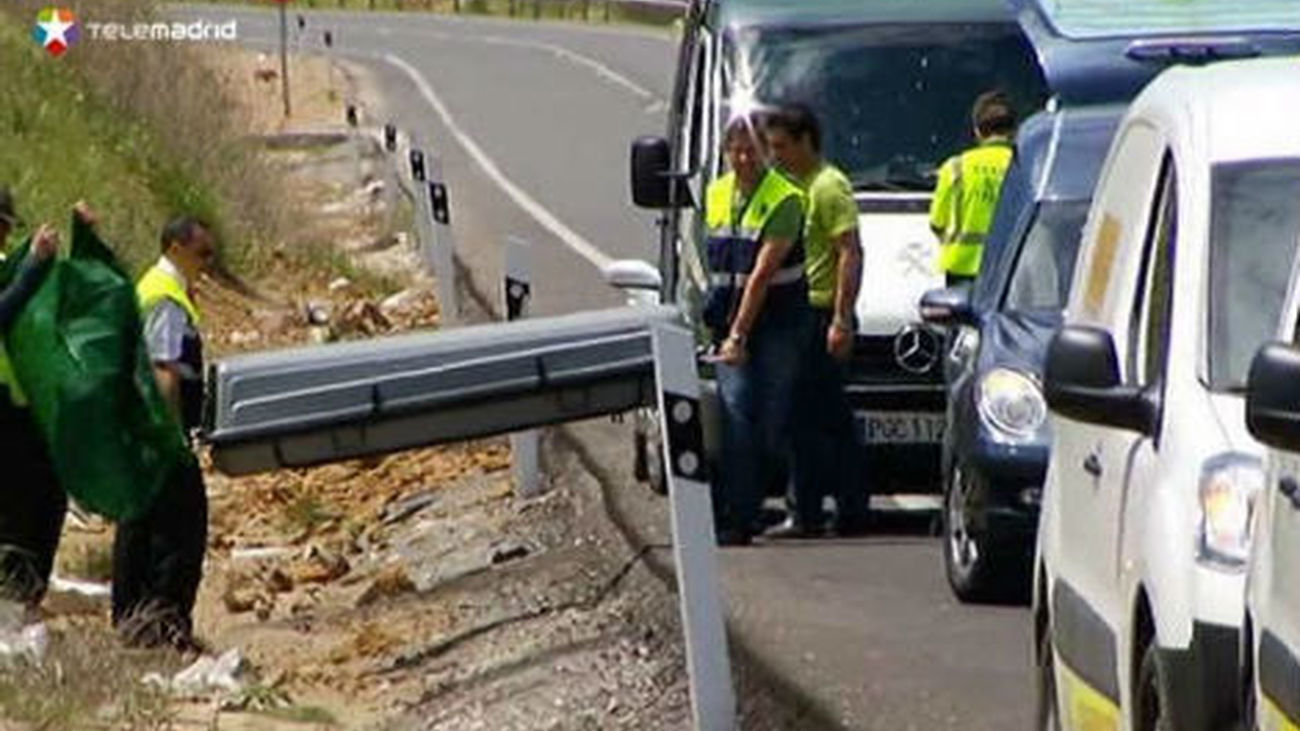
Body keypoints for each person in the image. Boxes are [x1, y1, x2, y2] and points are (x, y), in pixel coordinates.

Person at [762, 105, 870, 538]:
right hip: (799, 312)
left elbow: (850, 251)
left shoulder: (829, 186)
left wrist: (841, 319)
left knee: (814, 418)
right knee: (813, 417)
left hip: (822, 312)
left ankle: (815, 510)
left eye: (782, 146)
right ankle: (835, 507)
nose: (776, 155)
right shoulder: (792, 184)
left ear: (806, 140)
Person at [704, 115, 813, 547]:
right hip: (731, 322)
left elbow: (761, 275)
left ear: (766, 152)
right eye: (737, 150)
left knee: (770, 418)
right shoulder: (715, 194)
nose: (745, 158)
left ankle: (768, 499)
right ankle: (737, 514)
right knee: (736, 414)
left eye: (753, 149)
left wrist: (739, 336)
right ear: (726, 153)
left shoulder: (785, 198)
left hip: (778, 323)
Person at [112, 216, 214, 650]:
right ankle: (162, 629)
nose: (206, 264)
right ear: (176, 247)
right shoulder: (165, 298)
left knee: (140, 528)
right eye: (202, 254)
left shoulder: (154, 286)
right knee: (178, 532)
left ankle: (136, 626)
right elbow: (163, 373)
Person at [0, 188, 65, 616]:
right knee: (17, 511)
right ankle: (11, 601)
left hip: (24, 408)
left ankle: (23, 599)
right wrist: (34, 266)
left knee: (42, 503)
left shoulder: (6, 264)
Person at [930, 91, 1018, 287]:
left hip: (961, 268)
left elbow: (937, 222)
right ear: (1014, 131)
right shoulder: (1024, 167)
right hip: (1008, 268)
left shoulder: (955, 167)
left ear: (977, 131)